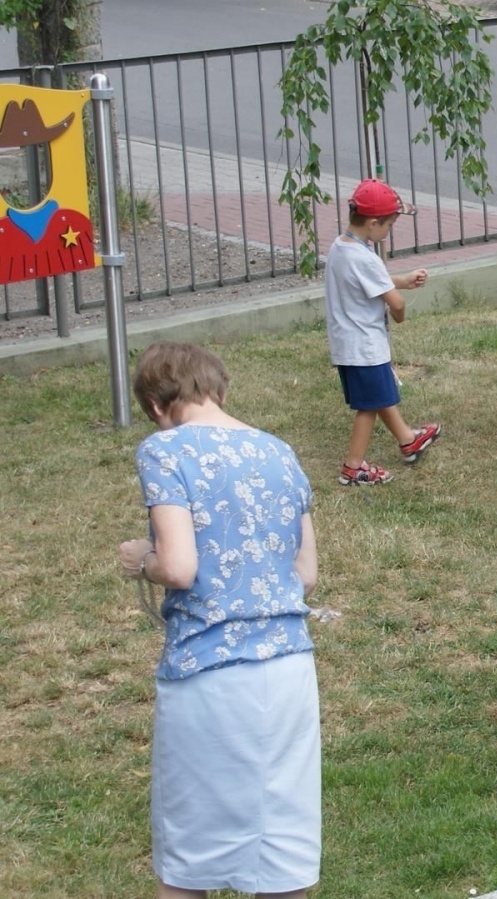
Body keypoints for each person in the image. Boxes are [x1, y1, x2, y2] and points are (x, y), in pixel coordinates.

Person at [115, 342, 321, 898]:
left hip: (208, 672)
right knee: (283, 846)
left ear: (158, 406)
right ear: (220, 390)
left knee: (189, 854)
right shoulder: (281, 451)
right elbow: (304, 575)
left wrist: (142, 559)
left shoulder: (164, 452)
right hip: (289, 672)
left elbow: (180, 567)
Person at [325, 178, 441, 486]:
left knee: (379, 395)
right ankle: (353, 467)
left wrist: (400, 280)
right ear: (373, 223)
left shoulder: (341, 248)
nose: (389, 231)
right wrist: (400, 311)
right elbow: (395, 303)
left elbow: (366, 282)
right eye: (389, 225)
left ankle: (407, 440)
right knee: (368, 407)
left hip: (347, 344)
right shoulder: (367, 258)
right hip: (366, 346)